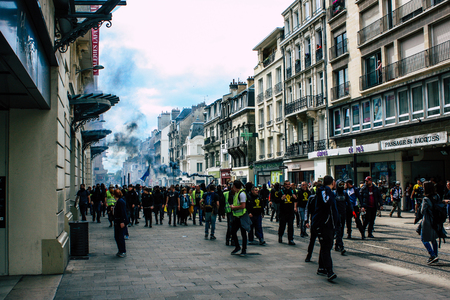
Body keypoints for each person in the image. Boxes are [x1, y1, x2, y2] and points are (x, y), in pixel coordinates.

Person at [311, 175, 339, 281]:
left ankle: (321, 268)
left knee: (326, 246)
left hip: (328, 224)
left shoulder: (329, 192)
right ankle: (329, 271)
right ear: (332, 182)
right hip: (323, 224)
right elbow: (326, 203)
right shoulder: (325, 191)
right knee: (326, 247)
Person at [416, 181, 444, 264]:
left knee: (424, 238)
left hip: (427, 220)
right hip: (436, 220)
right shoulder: (437, 196)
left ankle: (432, 255)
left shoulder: (426, 199)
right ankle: (435, 254)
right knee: (433, 239)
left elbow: (422, 211)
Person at [230, 180, 247, 256]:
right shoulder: (237, 193)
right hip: (237, 216)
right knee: (233, 232)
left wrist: (234, 207)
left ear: (234, 186)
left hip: (242, 216)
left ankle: (244, 249)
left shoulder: (242, 194)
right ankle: (237, 246)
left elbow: (243, 206)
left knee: (243, 234)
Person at [278, 180, 297, 245]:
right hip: (283, 212)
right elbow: (277, 201)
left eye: (288, 184)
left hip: (290, 212)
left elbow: (296, 200)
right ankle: (280, 236)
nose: (288, 185)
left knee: (291, 226)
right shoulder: (281, 191)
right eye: (286, 184)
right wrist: (281, 199)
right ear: (284, 185)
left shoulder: (292, 191)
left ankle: (290, 239)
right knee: (282, 226)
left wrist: (295, 198)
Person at [334, 180, 350, 255]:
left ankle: (337, 245)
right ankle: (341, 246)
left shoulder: (345, 193)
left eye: (342, 184)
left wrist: (352, 211)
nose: (341, 186)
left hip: (343, 213)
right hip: (336, 214)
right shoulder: (334, 193)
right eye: (340, 184)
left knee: (342, 230)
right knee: (338, 230)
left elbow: (349, 203)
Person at [113, 189, 128, 258]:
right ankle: (120, 250)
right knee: (117, 236)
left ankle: (122, 251)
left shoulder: (120, 202)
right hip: (117, 221)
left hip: (120, 221)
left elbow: (123, 212)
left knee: (120, 237)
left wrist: (122, 221)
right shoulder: (119, 201)